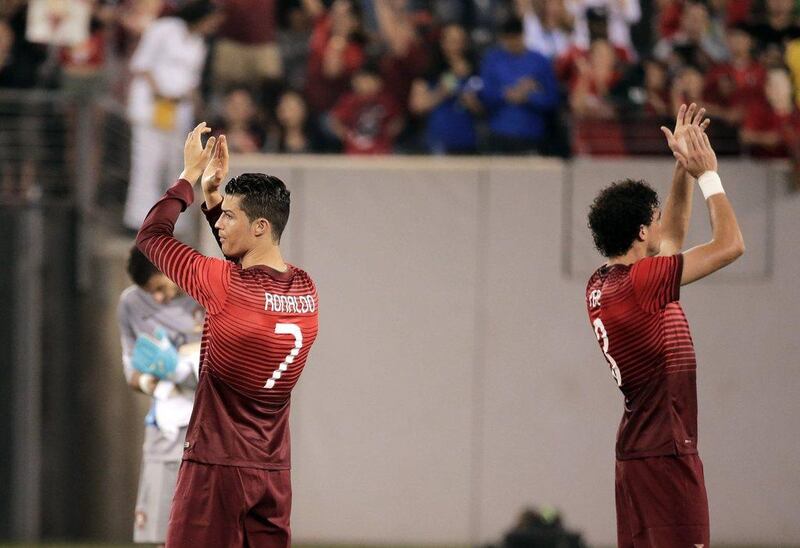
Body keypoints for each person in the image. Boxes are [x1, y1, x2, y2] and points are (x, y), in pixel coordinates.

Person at [136, 125, 319, 546]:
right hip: (272, 474)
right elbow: (247, 282)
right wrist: (215, 198)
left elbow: (151, 235)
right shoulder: (306, 289)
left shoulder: (223, 285)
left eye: (229, 217)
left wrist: (187, 177)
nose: (219, 223)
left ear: (258, 226)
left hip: (215, 466)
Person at [584, 103, 745, 547]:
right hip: (666, 453)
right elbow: (730, 245)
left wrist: (680, 168)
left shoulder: (602, 284)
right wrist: (707, 174)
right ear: (639, 233)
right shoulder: (642, 284)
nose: (660, 224)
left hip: (636, 455)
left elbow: (669, 238)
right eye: (651, 220)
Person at [117, 246, 203, 546]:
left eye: (159, 288)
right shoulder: (129, 303)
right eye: (148, 292)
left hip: (208, 426)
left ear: (171, 268)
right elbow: (132, 369)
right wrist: (160, 387)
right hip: (165, 427)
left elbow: (225, 365)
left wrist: (182, 369)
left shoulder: (207, 291)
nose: (157, 298)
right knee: (157, 529)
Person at [122, 0, 222, 232]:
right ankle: (138, 221)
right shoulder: (164, 28)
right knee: (146, 164)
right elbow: (142, 65)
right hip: (152, 107)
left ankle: (173, 222)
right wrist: (162, 93)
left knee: (176, 166)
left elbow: (192, 80)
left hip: (178, 112)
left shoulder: (199, 43)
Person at [479, 16, 559, 154]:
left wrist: (528, 97)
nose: (513, 43)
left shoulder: (540, 61)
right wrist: (506, 94)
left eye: (516, 37)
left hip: (531, 135)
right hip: (500, 134)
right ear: (503, 38)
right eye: (508, 38)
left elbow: (552, 99)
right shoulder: (492, 60)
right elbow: (485, 95)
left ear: (523, 35)